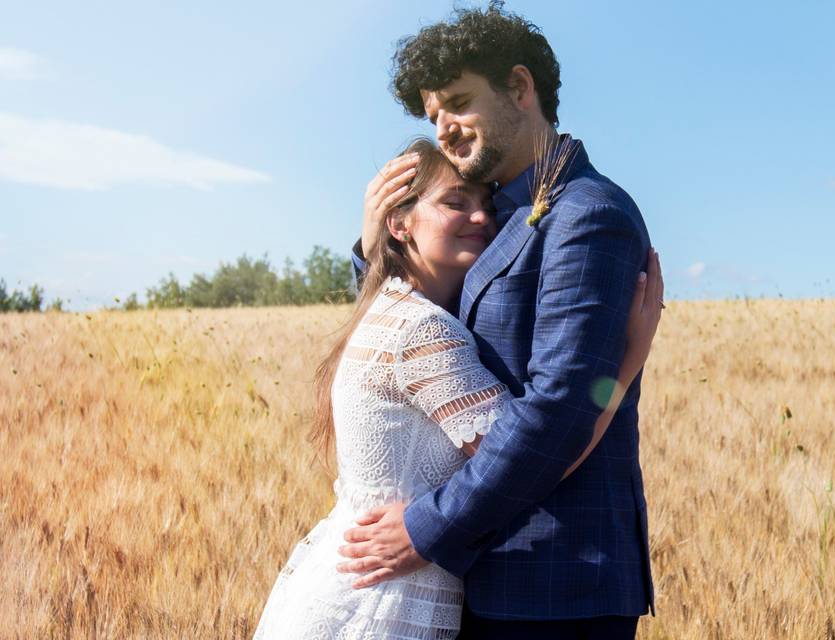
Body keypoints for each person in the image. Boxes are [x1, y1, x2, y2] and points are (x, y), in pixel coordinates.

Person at [253, 138, 663, 639]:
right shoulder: (424, 333)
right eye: (455, 203)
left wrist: (376, 243)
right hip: (387, 604)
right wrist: (626, 365)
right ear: (399, 223)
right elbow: (537, 453)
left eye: (487, 205)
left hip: (353, 584)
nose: (481, 219)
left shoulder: (389, 310)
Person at [337, 5, 658, 638]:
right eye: (434, 117)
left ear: (519, 87)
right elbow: (422, 343)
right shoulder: (500, 219)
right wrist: (378, 249)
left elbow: (560, 406)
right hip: (487, 575)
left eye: (458, 102)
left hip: (558, 582)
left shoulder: (588, 215)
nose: (445, 130)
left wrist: (428, 528)